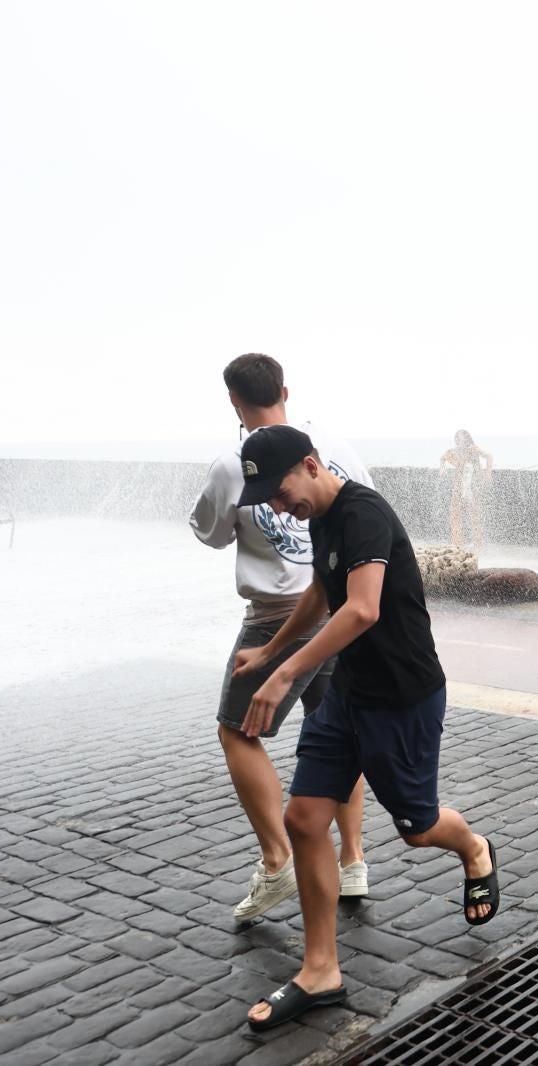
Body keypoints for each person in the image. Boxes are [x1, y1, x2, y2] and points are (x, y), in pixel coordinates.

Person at [231, 425, 498, 1032]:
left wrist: (284, 676)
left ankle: (475, 849)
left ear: (310, 464)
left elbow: (363, 607)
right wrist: (271, 651)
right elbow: (323, 594)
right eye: (268, 500)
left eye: (281, 491)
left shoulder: (364, 513)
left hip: (403, 698)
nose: (279, 507)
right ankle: (320, 969)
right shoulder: (318, 517)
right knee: (303, 819)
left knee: (419, 827)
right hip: (351, 696)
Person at [190, 353, 375, 921]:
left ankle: (277, 861)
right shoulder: (332, 446)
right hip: (338, 608)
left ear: (233, 401)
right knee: (338, 733)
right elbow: (365, 512)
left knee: (236, 731)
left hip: (277, 616)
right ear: (285, 391)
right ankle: (352, 861)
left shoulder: (233, 463)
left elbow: (211, 533)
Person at [438, 429, 493, 553]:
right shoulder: (454, 451)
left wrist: (488, 472)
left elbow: (489, 456)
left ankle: (478, 544)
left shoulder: (473, 449)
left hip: (472, 488)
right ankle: (457, 543)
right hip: (458, 488)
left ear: (467, 439)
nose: (458, 441)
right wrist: (442, 468)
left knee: (474, 515)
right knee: (455, 515)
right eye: (456, 438)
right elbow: (442, 457)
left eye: (460, 438)